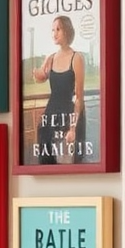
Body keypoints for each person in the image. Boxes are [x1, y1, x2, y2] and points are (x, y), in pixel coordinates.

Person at [33, 15, 86, 165]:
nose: (54, 33)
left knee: (67, 162)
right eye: (52, 30)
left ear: (67, 31)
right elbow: (40, 77)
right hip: (51, 114)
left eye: (58, 29)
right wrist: (36, 74)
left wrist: (73, 128)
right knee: (45, 155)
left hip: (68, 116)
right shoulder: (50, 58)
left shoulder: (76, 58)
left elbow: (79, 97)